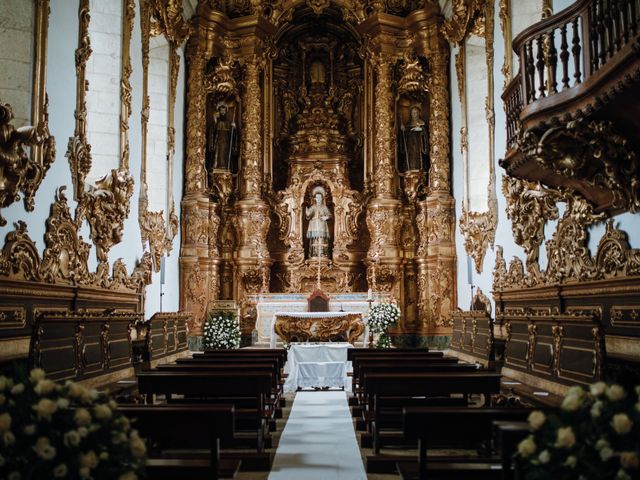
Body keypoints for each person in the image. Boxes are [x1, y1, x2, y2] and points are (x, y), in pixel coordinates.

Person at [207, 103, 237, 171]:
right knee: (218, 152)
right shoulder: (216, 121)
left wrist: (234, 128)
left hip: (226, 141)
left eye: (224, 110)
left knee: (225, 153)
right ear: (219, 111)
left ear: (226, 111)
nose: (222, 112)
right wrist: (214, 121)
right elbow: (212, 131)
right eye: (221, 110)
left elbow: (232, 134)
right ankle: (216, 166)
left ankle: (227, 167)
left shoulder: (228, 122)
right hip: (218, 140)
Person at [399, 105, 428, 171]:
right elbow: (404, 135)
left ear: (419, 113)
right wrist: (403, 130)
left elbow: (425, 134)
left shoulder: (422, 123)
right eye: (413, 113)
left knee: (419, 159)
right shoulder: (408, 124)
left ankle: (421, 168)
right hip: (410, 146)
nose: (414, 115)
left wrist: (421, 129)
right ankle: (409, 169)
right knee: (410, 158)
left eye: (416, 113)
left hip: (419, 146)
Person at [305, 186, 332, 258]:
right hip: (313, 224)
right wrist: (307, 213)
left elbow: (329, 215)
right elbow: (308, 216)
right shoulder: (313, 206)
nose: (318, 199)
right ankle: (315, 254)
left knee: (322, 239)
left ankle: (322, 253)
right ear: (315, 199)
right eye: (317, 198)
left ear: (322, 198)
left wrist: (326, 217)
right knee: (315, 239)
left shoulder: (324, 207)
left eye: (320, 197)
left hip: (322, 225)